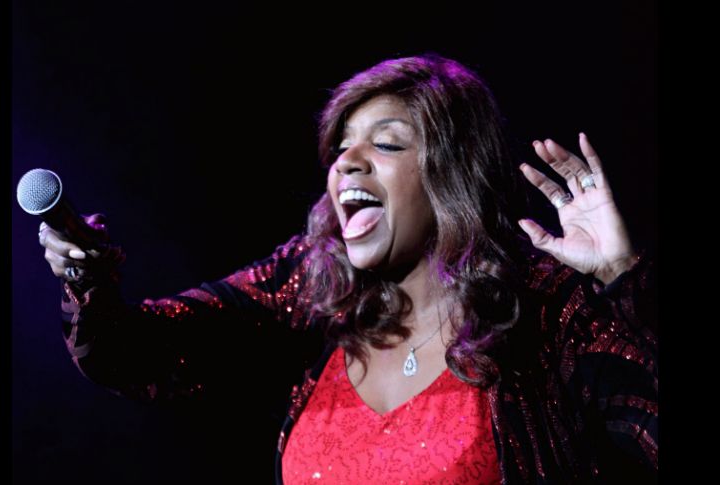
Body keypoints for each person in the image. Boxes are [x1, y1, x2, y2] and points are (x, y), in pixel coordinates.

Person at [38, 54, 656, 484]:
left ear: (454, 173)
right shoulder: (312, 294)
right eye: (340, 148)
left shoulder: (543, 314)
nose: (347, 162)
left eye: (386, 143)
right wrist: (87, 282)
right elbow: (140, 355)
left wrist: (623, 279)